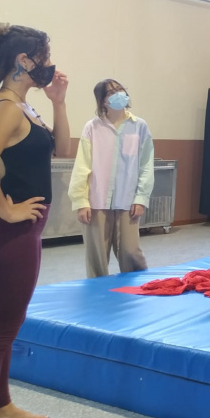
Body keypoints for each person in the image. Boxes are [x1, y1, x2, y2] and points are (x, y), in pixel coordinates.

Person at [0, 23, 73, 418]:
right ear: (23, 62)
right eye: (44, 56)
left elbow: (63, 151)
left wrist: (59, 103)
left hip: (22, 230)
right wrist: (5, 210)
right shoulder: (6, 107)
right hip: (9, 232)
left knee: (5, 329)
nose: (50, 64)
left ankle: (1, 407)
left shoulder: (25, 106)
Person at [68, 79, 153, 278]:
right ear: (102, 101)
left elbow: (146, 165)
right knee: (96, 256)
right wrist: (81, 201)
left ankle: (136, 291)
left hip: (128, 202)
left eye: (120, 89)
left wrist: (141, 198)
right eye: (110, 92)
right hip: (96, 201)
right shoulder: (92, 127)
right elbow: (82, 165)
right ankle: (97, 296)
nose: (118, 94)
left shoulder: (139, 126)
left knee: (131, 251)